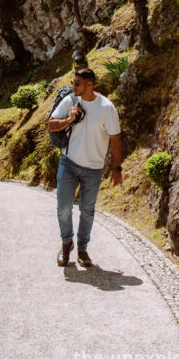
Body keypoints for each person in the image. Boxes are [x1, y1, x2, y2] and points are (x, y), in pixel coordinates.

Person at [49, 67, 122, 267]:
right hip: (69, 163)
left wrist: (117, 169)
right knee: (63, 208)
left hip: (94, 169)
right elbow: (51, 124)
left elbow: (115, 139)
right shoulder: (70, 100)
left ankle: (82, 249)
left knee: (87, 210)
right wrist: (69, 119)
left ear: (90, 85)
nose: (73, 86)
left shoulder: (107, 108)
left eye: (77, 83)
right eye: (73, 82)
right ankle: (66, 244)